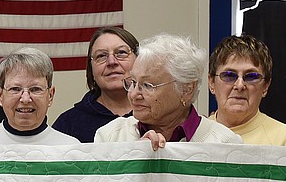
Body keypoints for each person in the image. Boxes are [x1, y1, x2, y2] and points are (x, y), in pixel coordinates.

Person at [95, 34, 241, 148]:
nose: (133, 94)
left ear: (186, 89)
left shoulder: (224, 143)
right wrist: (134, 157)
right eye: (133, 82)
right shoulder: (110, 136)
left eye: (147, 85)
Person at [0, 47, 76, 145]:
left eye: (35, 89)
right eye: (15, 89)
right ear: (0, 95)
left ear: (50, 96)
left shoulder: (72, 149)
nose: (25, 99)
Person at [207, 34, 286, 146]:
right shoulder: (192, 137)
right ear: (211, 82)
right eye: (229, 75)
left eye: (251, 76)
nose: (240, 85)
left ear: (265, 86)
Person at [53, 26, 138, 143]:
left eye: (121, 53)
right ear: (91, 69)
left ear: (139, 60)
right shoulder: (68, 124)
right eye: (101, 56)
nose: (111, 62)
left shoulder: (158, 115)